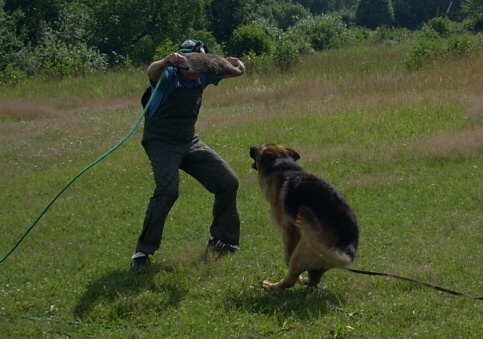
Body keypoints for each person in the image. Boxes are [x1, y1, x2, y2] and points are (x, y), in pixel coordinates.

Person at [132, 39, 246, 268]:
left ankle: (222, 240)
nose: (194, 72)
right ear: (179, 64)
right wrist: (166, 61)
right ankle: (143, 252)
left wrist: (236, 64)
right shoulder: (167, 76)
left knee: (228, 182)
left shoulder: (203, 75)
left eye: (199, 67)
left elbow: (237, 72)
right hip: (161, 141)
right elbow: (151, 71)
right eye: (190, 66)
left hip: (189, 141)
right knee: (167, 190)